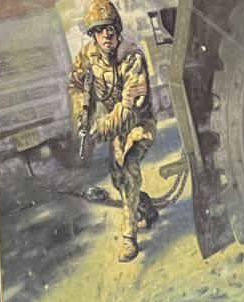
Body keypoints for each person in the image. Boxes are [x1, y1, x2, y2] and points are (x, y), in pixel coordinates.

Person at [69, 0, 158, 263]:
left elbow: (132, 107)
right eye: (99, 30)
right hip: (115, 129)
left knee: (129, 170)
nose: (106, 34)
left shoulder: (132, 57)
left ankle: (129, 237)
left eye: (110, 28)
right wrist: (81, 116)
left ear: (118, 31)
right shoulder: (87, 56)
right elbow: (75, 85)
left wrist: (100, 128)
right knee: (118, 180)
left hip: (139, 124)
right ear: (93, 35)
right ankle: (146, 208)